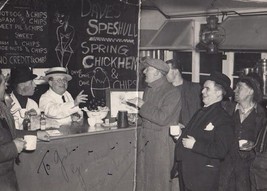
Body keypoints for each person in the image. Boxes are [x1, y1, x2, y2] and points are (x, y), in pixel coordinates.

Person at [127, 57, 182, 191]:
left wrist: (142, 105)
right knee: (143, 178)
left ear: (157, 73)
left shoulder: (172, 92)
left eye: (148, 69)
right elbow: (148, 116)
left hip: (161, 144)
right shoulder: (149, 89)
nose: (144, 71)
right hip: (145, 140)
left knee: (159, 182)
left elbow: (162, 118)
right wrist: (137, 118)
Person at [174, 71, 235, 191]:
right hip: (188, 172)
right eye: (203, 88)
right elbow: (195, 135)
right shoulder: (201, 111)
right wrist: (180, 136)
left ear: (218, 93)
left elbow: (220, 150)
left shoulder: (223, 118)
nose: (202, 92)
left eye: (207, 89)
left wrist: (195, 145)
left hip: (202, 177)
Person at [0, 69, 49, 191]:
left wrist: (36, 133)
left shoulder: (2, 107)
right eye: (2, 83)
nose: (6, 85)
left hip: (7, 174)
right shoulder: (6, 104)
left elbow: (10, 132)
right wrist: (13, 147)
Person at [219, 73, 267, 191]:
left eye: (239, 87)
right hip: (226, 167)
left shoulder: (263, 115)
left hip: (249, 170)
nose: (235, 90)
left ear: (251, 91)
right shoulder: (226, 109)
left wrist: (254, 145)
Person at [166, 59, 202, 191]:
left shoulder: (195, 89)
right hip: (172, 138)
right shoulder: (166, 91)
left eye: (166, 71)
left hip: (192, 140)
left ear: (175, 71)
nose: (164, 75)